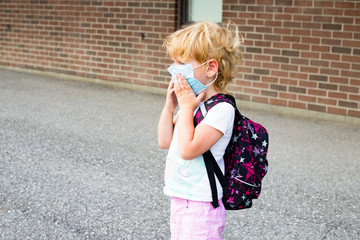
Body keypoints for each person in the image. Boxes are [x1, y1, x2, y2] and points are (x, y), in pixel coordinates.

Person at [157, 21, 243, 240]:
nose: (174, 69)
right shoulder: (193, 104)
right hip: (180, 197)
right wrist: (171, 107)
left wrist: (186, 108)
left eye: (182, 63)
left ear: (210, 67)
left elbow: (188, 150)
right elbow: (165, 141)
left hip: (201, 205)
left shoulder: (221, 110)